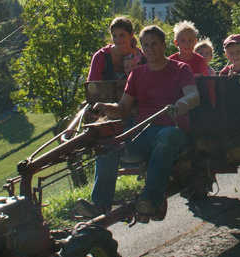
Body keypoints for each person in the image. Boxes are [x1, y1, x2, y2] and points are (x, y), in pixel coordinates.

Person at [76, 24, 199, 222]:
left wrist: (182, 103)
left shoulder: (180, 69)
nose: (150, 50)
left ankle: (150, 200)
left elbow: (193, 95)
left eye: (154, 45)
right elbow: (123, 108)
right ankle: (100, 205)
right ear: (140, 46)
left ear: (164, 45)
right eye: (146, 45)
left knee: (165, 137)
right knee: (109, 144)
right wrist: (105, 107)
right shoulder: (138, 73)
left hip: (175, 133)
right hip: (145, 134)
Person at [88, 17, 142, 82]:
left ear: (131, 35)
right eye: (114, 36)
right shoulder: (101, 57)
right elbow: (91, 87)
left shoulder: (141, 57)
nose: (118, 40)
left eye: (122, 35)